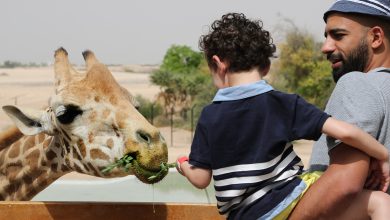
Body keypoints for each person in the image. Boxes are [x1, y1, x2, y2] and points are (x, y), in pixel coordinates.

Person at [176, 12, 390, 220]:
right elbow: (347, 132)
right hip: (288, 202)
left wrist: (182, 164)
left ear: (218, 63)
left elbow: (201, 178)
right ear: (267, 67)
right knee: (379, 202)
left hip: (242, 215)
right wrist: (383, 155)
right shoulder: (283, 103)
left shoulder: (208, 115)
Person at [289, 0, 390, 219]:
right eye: (326, 36)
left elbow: (343, 184)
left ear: (376, 37)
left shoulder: (357, 83)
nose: (326, 47)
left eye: (338, 35)